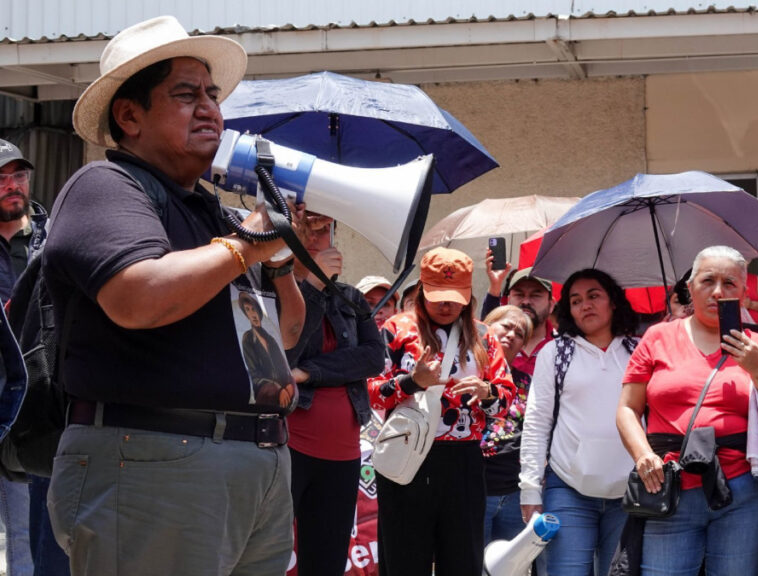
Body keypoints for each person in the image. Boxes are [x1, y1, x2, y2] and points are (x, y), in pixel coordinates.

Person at [42, 16, 306, 576]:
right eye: (187, 95)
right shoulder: (105, 188)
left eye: (212, 94)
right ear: (129, 115)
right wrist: (247, 242)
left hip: (248, 466)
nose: (210, 108)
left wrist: (279, 257)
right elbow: (139, 297)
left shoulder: (212, 211)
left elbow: (280, 340)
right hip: (155, 461)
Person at [617, 246, 758, 575]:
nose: (718, 291)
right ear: (690, 288)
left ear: (745, 292)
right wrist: (642, 454)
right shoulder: (657, 337)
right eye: (708, 281)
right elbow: (628, 409)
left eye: (730, 283)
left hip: (740, 489)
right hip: (668, 487)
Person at [368, 247, 515, 576]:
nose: (446, 305)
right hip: (406, 457)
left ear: (468, 295)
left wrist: (487, 392)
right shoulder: (396, 328)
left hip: (464, 462)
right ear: (421, 289)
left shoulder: (484, 336)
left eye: (455, 296)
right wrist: (411, 382)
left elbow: (507, 399)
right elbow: (369, 392)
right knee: (404, 561)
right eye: (437, 296)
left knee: (463, 561)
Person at [519, 268, 639, 576]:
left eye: (594, 296)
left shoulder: (638, 351)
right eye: (575, 300)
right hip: (568, 488)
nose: (584, 305)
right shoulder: (555, 352)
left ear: (613, 302)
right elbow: (536, 424)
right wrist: (530, 491)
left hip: (630, 493)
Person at [286, 216, 385, 576]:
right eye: (305, 227)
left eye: (323, 228)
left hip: (343, 450)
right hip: (288, 445)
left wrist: (311, 372)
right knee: (268, 553)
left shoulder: (352, 297)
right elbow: (284, 357)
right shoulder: (272, 288)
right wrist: (311, 285)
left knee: (326, 560)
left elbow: (373, 358)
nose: (315, 237)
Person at [0, 138, 56, 576]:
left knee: (28, 532)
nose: (11, 185)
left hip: (32, 404)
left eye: (18, 175)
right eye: (0, 179)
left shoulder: (54, 236)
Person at [480, 305, 534, 545]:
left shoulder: (526, 383)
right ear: (487, 327)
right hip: (472, 492)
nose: (511, 335)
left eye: (520, 333)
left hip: (514, 494)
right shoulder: (464, 371)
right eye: (506, 326)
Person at [483, 261, 556, 376]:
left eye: (535, 295)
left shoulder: (564, 347)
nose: (526, 301)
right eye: (519, 295)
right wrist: (494, 285)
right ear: (507, 301)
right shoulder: (493, 337)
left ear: (551, 305)